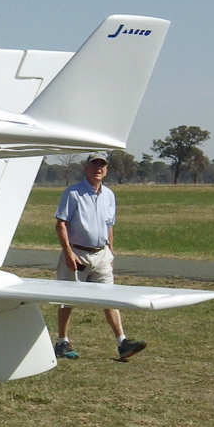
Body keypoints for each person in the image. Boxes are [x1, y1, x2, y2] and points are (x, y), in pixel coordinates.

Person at [53, 153, 147, 361]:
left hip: (102, 254)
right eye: (94, 164)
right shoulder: (73, 193)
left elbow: (108, 225)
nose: (98, 168)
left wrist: (110, 253)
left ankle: (122, 342)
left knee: (110, 297)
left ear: (106, 170)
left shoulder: (109, 196)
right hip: (77, 253)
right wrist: (68, 254)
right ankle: (61, 342)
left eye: (102, 165)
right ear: (86, 168)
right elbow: (61, 224)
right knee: (67, 300)